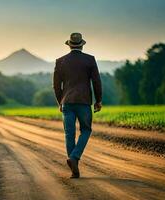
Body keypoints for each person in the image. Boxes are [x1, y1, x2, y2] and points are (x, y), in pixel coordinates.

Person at [53, 32, 102, 178]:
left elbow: (56, 86)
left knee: (69, 134)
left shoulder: (60, 61)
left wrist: (60, 101)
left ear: (69, 45)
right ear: (81, 45)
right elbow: (96, 82)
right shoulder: (90, 60)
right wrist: (98, 100)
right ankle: (74, 158)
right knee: (86, 130)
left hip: (67, 102)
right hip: (84, 102)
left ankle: (73, 167)